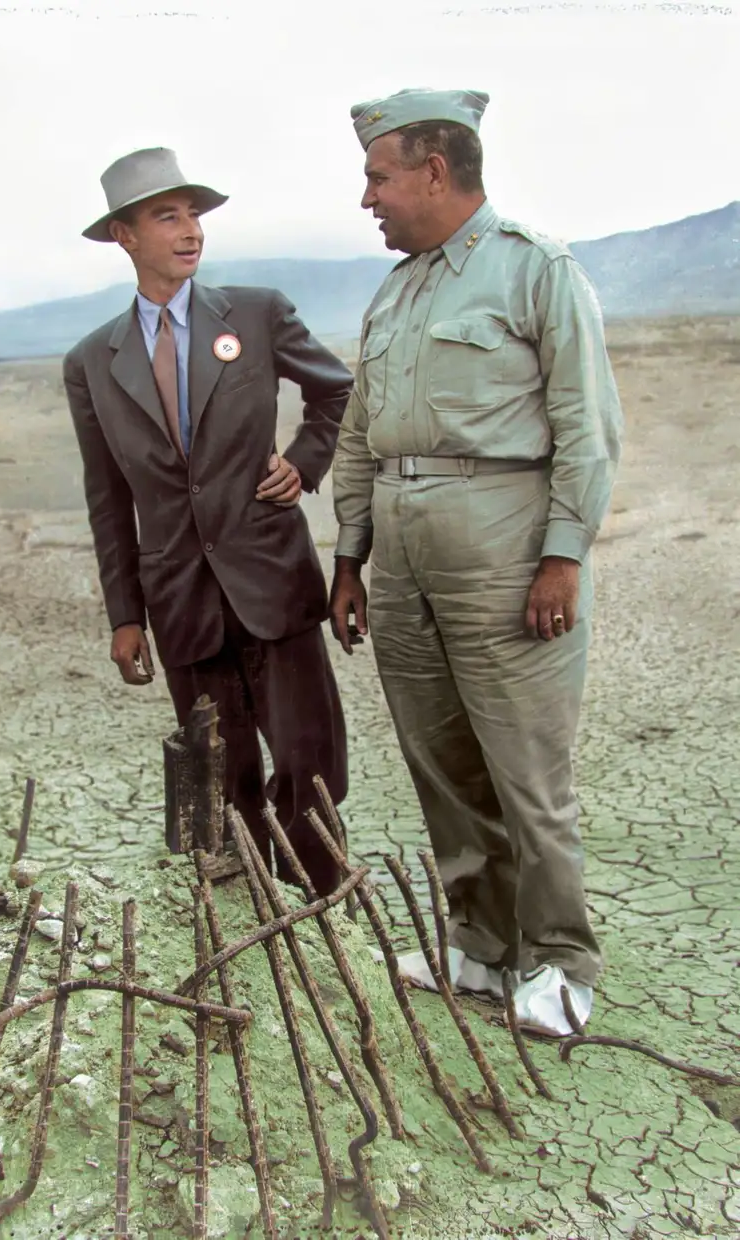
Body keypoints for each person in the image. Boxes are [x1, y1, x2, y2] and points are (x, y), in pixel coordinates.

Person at [329, 89, 623, 1036]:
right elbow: (359, 432)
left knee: (525, 764)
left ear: (433, 171)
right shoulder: (396, 290)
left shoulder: (535, 269)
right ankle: (484, 948)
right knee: (440, 758)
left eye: (378, 177)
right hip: (403, 556)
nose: (367, 197)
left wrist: (562, 556)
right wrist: (349, 555)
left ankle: (561, 961)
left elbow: (588, 424)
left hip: (504, 547)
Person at [63, 147, 353, 895]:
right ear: (124, 236)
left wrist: (303, 460)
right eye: (167, 216)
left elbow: (336, 394)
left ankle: (325, 917)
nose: (190, 229)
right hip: (181, 604)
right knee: (223, 781)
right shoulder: (93, 360)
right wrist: (125, 615)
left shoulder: (256, 313)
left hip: (273, 586)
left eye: (194, 213)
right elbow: (106, 496)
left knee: (309, 771)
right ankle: (252, 930)